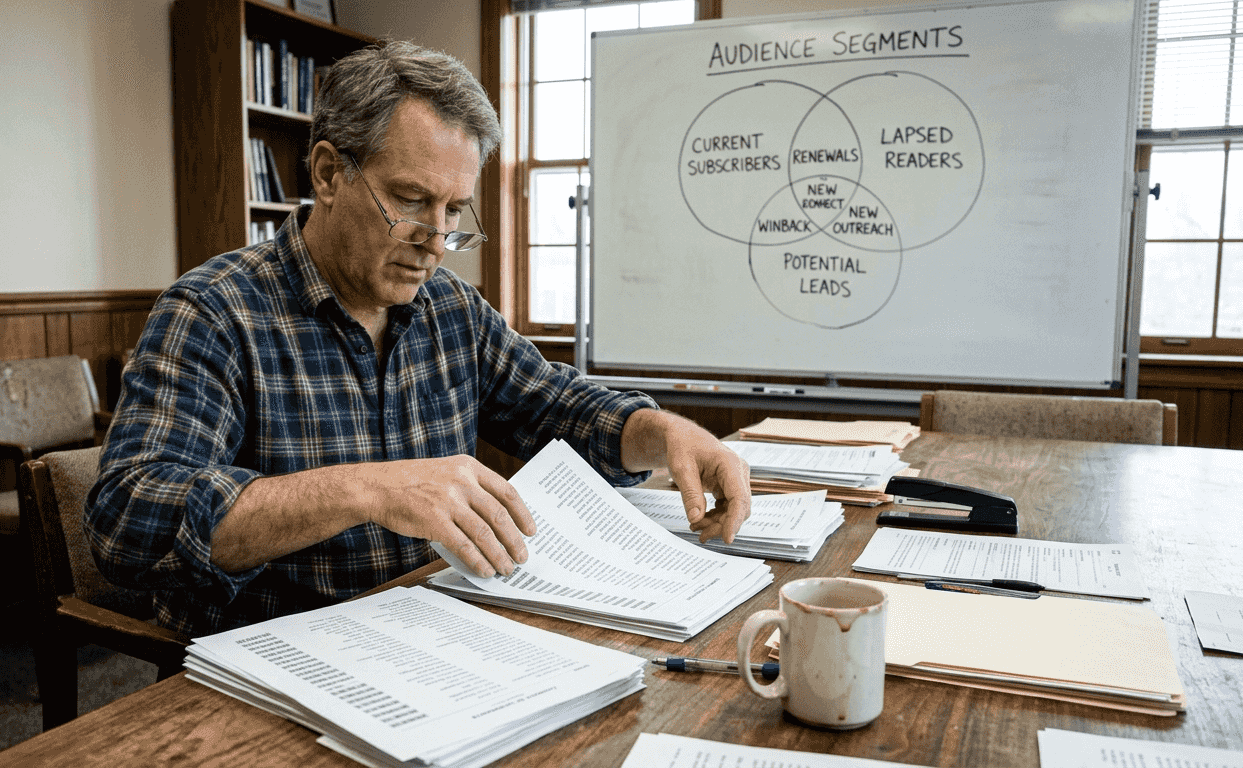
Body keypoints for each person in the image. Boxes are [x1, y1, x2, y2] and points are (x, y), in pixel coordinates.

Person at [86, 40, 751, 637]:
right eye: (409, 200)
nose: (436, 243)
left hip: (434, 632)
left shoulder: (449, 308)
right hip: (276, 662)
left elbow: (558, 406)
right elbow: (128, 524)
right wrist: (365, 489)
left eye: (454, 211)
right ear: (326, 172)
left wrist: (664, 433)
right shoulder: (214, 312)